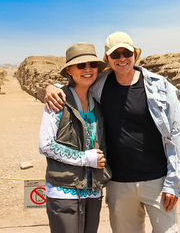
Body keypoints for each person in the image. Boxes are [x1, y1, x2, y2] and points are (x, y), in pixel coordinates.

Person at [45, 32, 180, 233]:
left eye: (126, 53)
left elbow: (177, 135)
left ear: (135, 55)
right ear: (108, 59)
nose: (122, 58)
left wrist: (174, 183)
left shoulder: (160, 87)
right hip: (119, 183)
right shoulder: (99, 85)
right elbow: (75, 85)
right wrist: (50, 88)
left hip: (157, 180)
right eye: (116, 54)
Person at [39, 42, 112, 233]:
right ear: (69, 70)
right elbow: (45, 145)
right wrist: (85, 159)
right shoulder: (57, 100)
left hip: (93, 190)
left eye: (92, 65)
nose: (88, 70)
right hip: (65, 190)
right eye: (81, 65)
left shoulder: (98, 104)